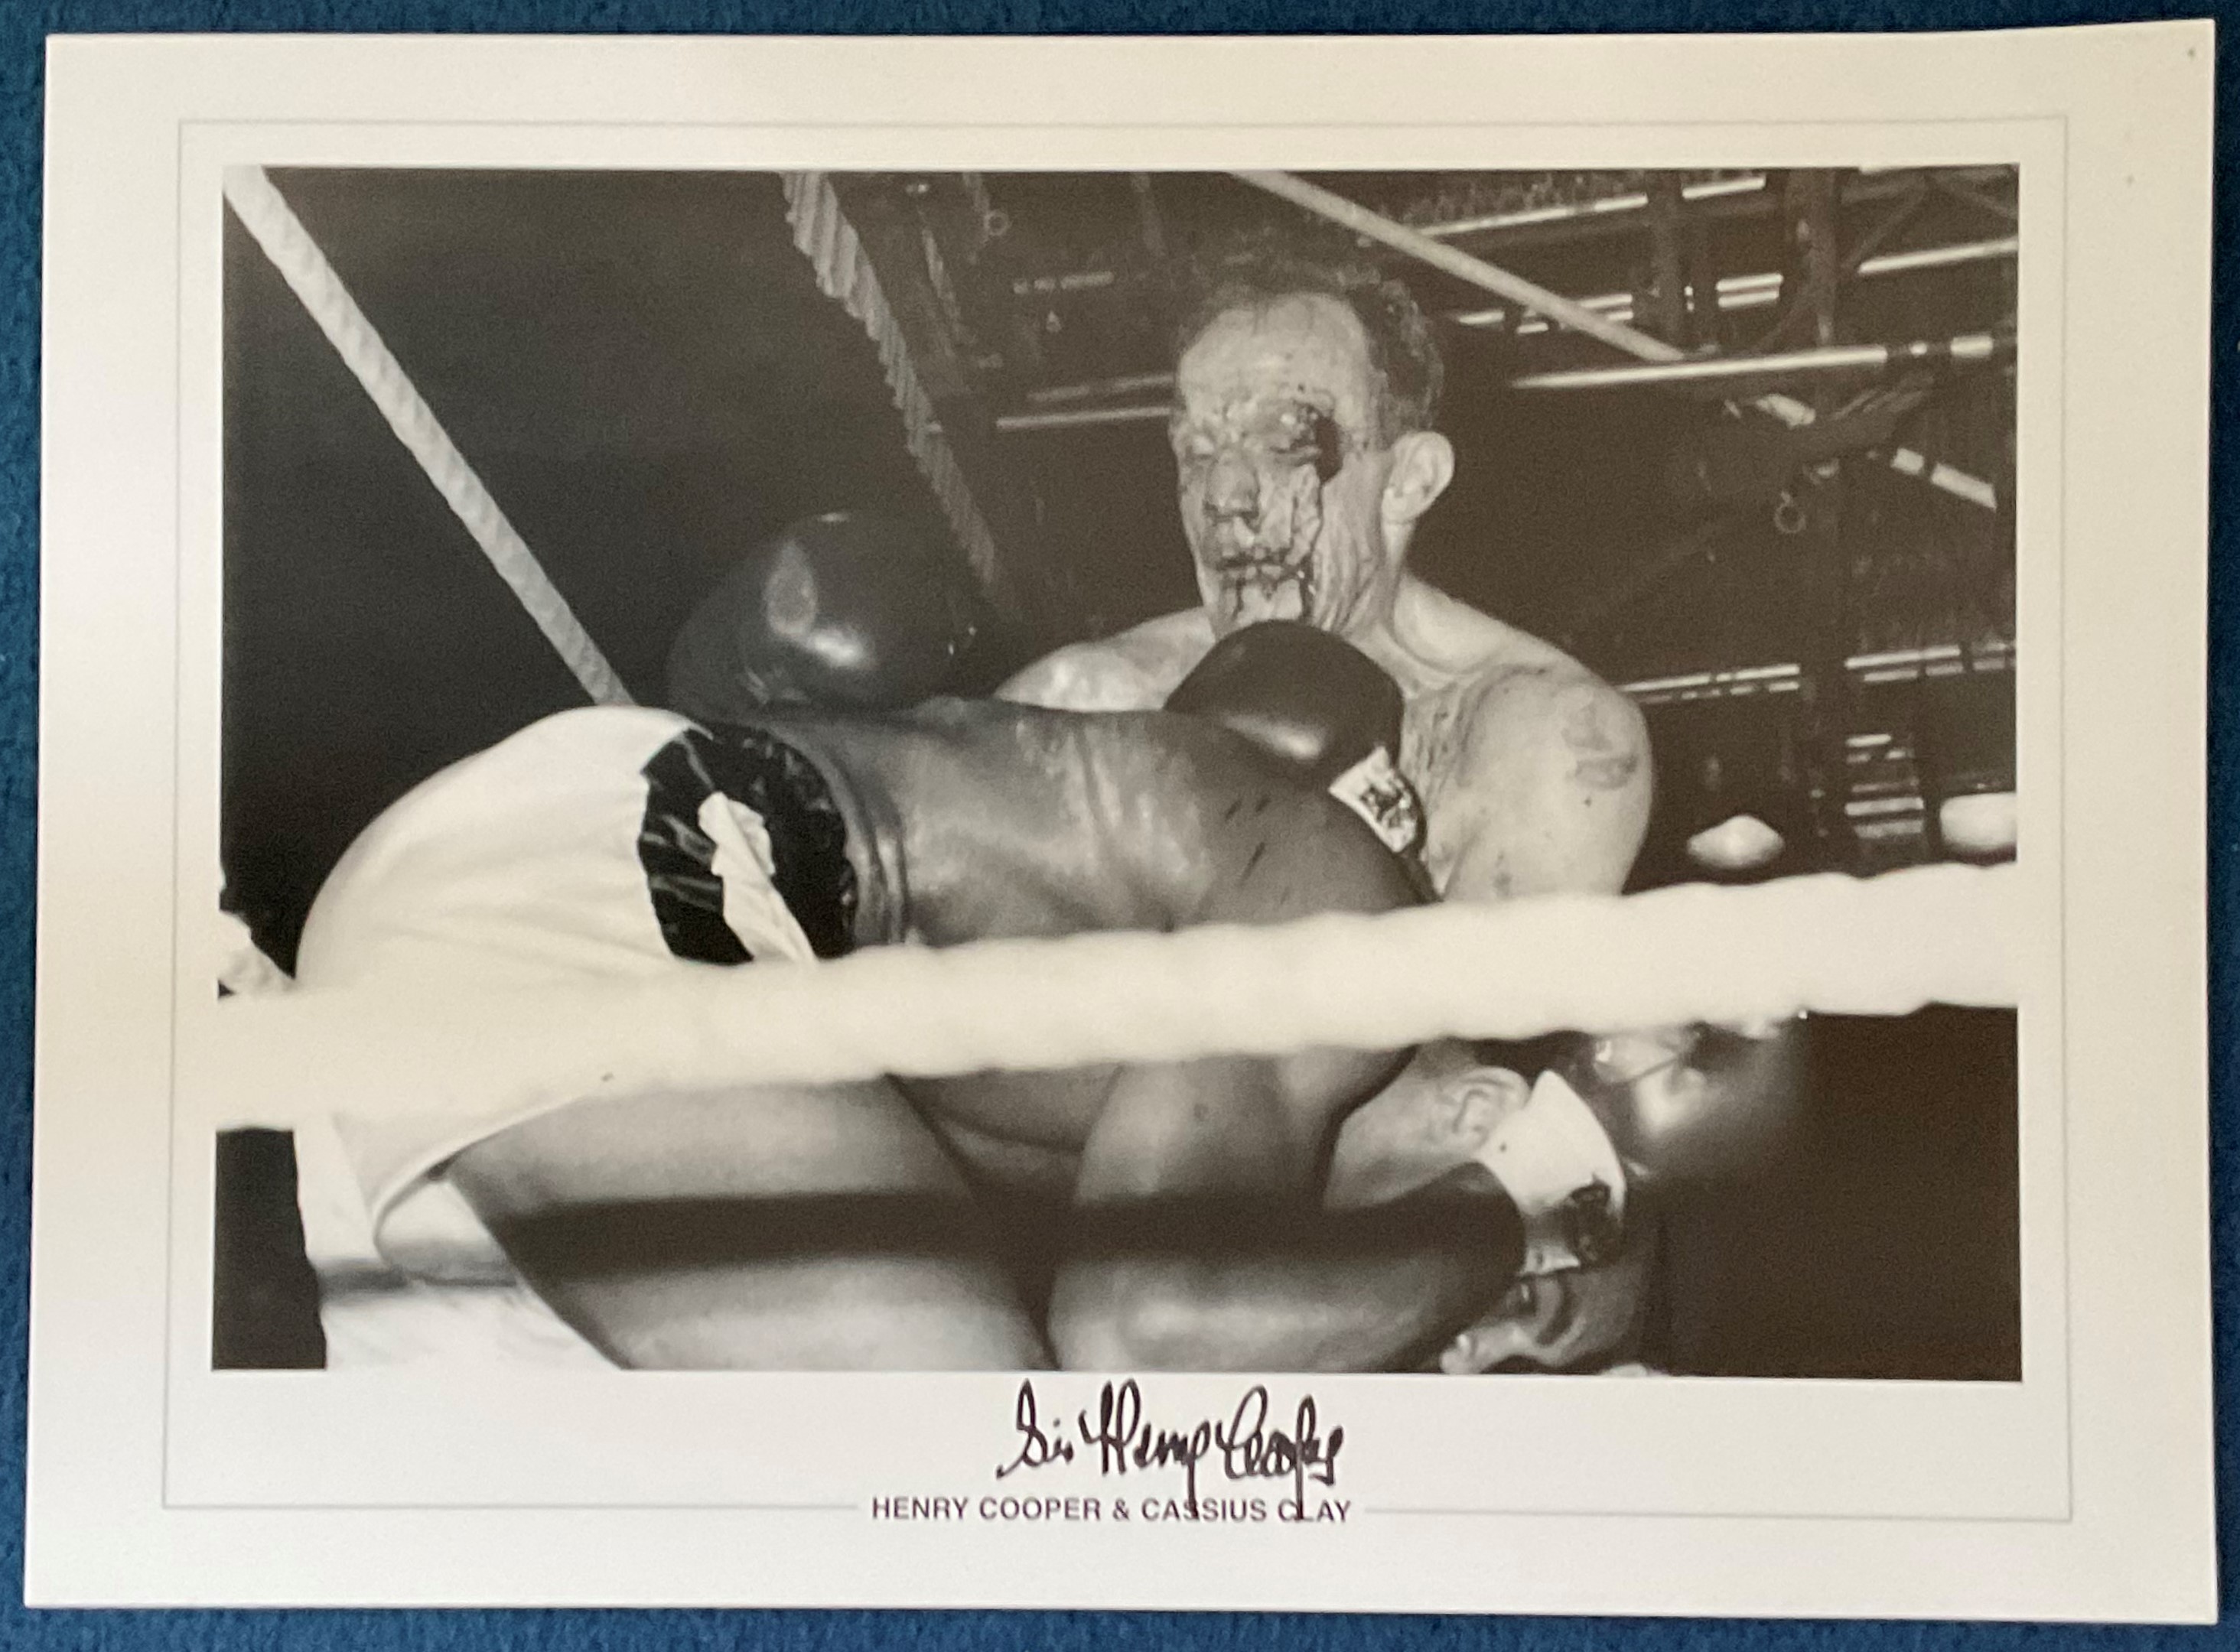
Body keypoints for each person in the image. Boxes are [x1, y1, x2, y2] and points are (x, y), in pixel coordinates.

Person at [294, 620, 1633, 1372]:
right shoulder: (1353, 929)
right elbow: (1145, 1350)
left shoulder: (1166, 1091)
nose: (1424, 1347)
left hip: (489, 903)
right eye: (1460, 1340)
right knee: (1003, 1495)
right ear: (1483, 1106)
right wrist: (1537, 1206)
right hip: (633, 883)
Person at [998, 240, 1665, 1367]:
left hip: (1404, 1284)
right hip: (1103, 1270)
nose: (1226, 493)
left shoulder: (1546, 740)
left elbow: (1447, 1108)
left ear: (1408, 478)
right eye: (1197, 448)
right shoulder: (1089, 706)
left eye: (1283, 436)